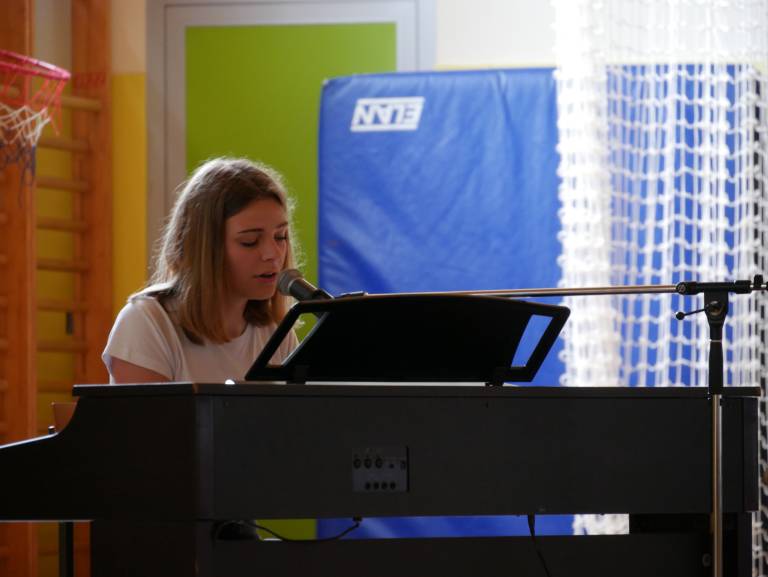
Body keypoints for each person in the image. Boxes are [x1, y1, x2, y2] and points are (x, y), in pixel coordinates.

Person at [102, 157, 299, 383]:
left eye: (280, 237)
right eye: (250, 241)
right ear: (204, 247)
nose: (273, 253)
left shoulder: (276, 333)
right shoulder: (148, 323)